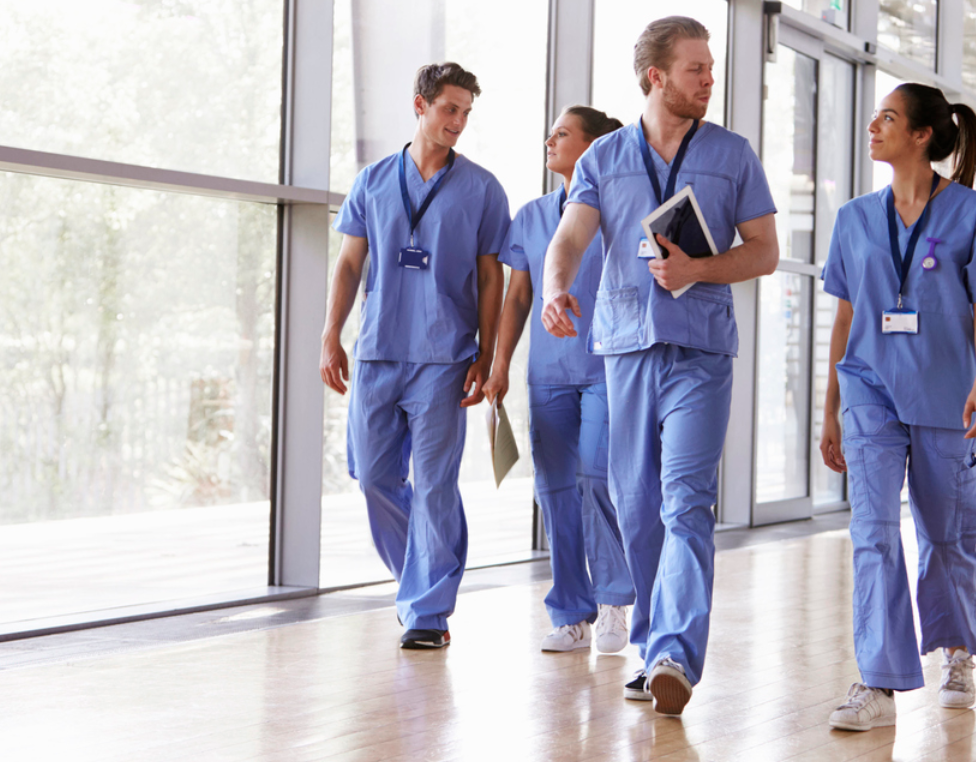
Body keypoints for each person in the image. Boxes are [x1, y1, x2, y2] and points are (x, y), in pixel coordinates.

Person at [540, 16, 779, 715]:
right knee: (639, 507)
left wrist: (699, 268)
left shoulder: (733, 155)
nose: (710, 79)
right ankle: (651, 647)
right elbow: (569, 239)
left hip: (701, 351)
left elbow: (763, 250)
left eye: (710, 68)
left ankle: (675, 649)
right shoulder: (604, 158)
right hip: (624, 350)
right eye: (696, 69)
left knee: (685, 501)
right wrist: (556, 289)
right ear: (657, 76)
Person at [818, 83, 976, 731]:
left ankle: (957, 649)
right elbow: (846, 313)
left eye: (888, 117)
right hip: (869, 393)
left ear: (921, 136)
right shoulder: (854, 218)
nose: (874, 124)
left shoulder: (974, 214)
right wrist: (829, 408)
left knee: (947, 534)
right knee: (873, 534)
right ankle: (878, 683)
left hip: (944, 393)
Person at [321, 62, 509, 650]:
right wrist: (331, 334)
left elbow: (490, 277)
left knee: (433, 485)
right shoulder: (373, 181)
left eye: (466, 113)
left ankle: (428, 610)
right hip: (378, 351)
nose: (458, 122)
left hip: (445, 356)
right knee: (374, 476)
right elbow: (351, 263)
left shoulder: (482, 188)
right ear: (420, 106)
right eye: (449, 109)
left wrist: (487, 350)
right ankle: (417, 581)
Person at [482, 106, 635, 655]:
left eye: (563, 133)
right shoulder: (530, 215)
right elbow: (518, 296)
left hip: (607, 367)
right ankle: (572, 611)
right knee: (555, 492)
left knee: (595, 477)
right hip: (547, 375)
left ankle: (616, 599)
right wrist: (499, 366)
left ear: (595, 148)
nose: (550, 139)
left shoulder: (619, 212)